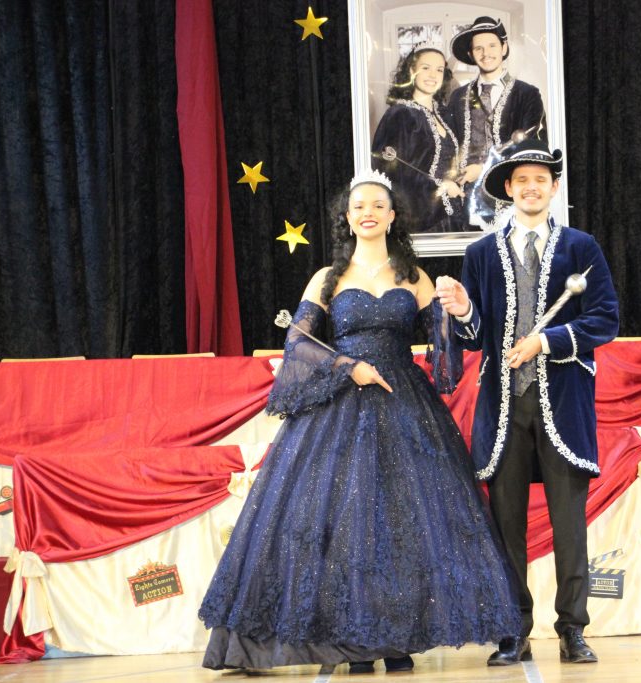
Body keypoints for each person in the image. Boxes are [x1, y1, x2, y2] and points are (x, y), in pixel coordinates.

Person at [199, 170, 521, 674]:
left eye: (377, 205)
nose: (367, 212)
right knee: (339, 523)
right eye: (358, 206)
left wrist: (456, 313)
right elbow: (298, 342)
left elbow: (446, 358)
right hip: (340, 407)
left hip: (404, 405)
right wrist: (348, 366)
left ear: (392, 217)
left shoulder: (415, 277)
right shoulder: (327, 278)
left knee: (402, 524)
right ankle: (348, 642)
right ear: (347, 219)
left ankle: (394, 640)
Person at [436, 139, 619, 666]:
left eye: (541, 179)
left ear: (554, 188)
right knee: (506, 526)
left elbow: (604, 318)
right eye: (522, 180)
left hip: (563, 402)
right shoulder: (480, 254)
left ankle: (572, 629)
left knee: (569, 526)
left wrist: (546, 341)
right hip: (503, 408)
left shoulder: (581, 247)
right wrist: (465, 309)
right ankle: (513, 629)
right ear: (509, 190)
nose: (532, 188)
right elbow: (475, 335)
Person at [445, 16, 547, 226]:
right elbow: (448, 146)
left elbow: (531, 147)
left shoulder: (527, 94)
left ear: (504, 48)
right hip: (464, 200)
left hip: (510, 197)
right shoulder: (457, 97)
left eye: (492, 45)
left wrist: (483, 169)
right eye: (478, 48)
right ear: (471, 54)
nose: (486, 53)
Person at [372, 44, 465, 232]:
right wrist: (440, 187)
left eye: (439, 70)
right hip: (423, 218)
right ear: (411, 71)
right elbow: (391, 172)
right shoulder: (400, 115)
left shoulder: (444, 114)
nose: (433, 75)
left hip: (453, 215)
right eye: (425, 68)